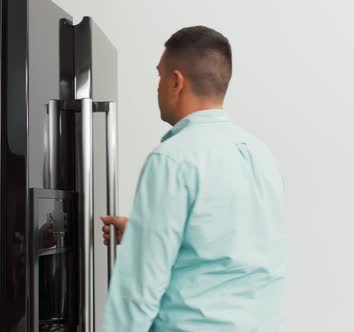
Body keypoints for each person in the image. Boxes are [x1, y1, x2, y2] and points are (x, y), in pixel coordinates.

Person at [100, 26, 286, 331]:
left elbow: (138, 290)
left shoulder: (172, 159)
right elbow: (235, 247)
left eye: (159, 76)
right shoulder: (261, 155)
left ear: (176, 82)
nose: (157, 87)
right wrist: (143, 232)